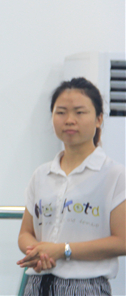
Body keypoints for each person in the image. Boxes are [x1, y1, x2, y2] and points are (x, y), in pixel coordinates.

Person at [17, 77, 126, 295]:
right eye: (61, 112)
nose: (69, 120)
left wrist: (63, 250)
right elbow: (25, 233)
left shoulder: (115, 174)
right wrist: (39, 252)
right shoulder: (42, 174)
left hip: (86, 285)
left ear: (99, 119)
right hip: (37, 284)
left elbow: (122, 241)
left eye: (79, 112)